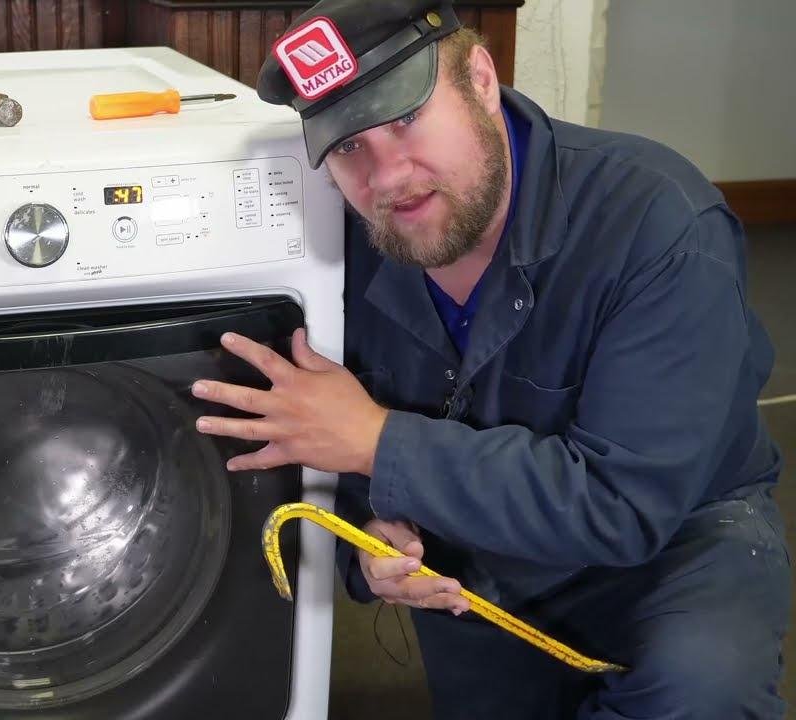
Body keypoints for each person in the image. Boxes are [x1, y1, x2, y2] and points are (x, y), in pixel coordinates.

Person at [189, 1, 792, 717]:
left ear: (479, 78)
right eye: (350, 148)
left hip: (679, 540)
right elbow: (326, 451)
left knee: (700, 689)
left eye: (406, 118)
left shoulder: (657, 225)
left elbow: (624, 505)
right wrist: (369, 541)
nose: (387, 176)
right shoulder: (338, 256)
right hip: (472, 555)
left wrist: (381, 443)